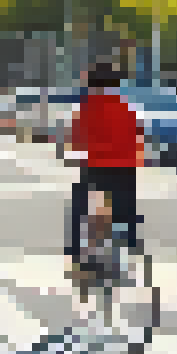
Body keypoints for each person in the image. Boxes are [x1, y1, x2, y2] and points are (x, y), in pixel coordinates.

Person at [65, 63, 144, 272]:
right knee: (127, 207)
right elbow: (137, 139)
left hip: (96, 169)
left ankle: (74, 250)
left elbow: (76, 141)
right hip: (126, 169)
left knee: (79, 204)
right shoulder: (126, 107)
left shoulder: (87, 108)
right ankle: (131, 240)